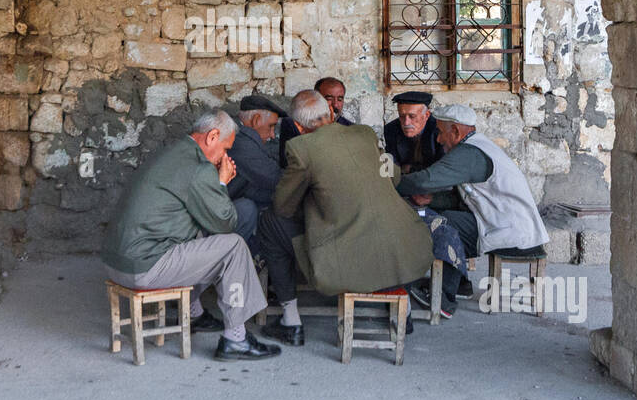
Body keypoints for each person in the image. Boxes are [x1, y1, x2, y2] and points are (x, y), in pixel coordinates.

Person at [257, 90, 433, 346]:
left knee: (270, 222)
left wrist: (312, 199)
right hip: (405, 246)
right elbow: (393, 177)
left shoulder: (300, 148)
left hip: (353, 253)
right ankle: (401, 309)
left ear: (297, 126)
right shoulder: (364, 134)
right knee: (372, 221)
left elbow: (283, 206)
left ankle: (290, 320)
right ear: (330, 113)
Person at [102, 109, 281, 361]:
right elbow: (225, 223)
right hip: (144, 267)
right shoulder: (199, 167)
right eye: (224, 148)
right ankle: (236, 339)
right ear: (212, 137)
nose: (224, 156)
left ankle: (195, 312)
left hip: (117, 262)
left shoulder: (173, 153)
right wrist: (221, 182)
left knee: (201, 238)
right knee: (234, 247)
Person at [395, 103, 549, 315]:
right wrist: (431, 200)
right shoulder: (476, 146)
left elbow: (426, 180)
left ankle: (444, 298)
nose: (438, 139)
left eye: (440, 132)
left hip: (511, 230)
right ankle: (459, 283)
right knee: (442, 218)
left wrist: (391, 182)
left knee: (441, 226)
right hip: (501, 222)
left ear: (456, 131)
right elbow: (462, 198)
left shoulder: (469, 153)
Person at [227, 95, 286, 265]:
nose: (272, 135)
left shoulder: (244, 139)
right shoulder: (241, 143)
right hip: (214, 218)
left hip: (228, 206)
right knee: (249, 209)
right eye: (271, 127)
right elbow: (275, 178)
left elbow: (250, 187)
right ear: (256, 119)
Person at [278, 76, 352, 166]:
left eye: (340, 99)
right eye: (329, 98)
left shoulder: (350, 128)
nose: (335, 104)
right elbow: (288, 161)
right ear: (316, 98)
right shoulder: (293, 124)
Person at [383, 90, 445, 176]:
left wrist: (411, 169)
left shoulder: (440, 130)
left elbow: (441, 169)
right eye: (402, 116)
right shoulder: (391, 130)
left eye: (412, 116)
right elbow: (392, 169)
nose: (406, 123)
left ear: (426, 115)